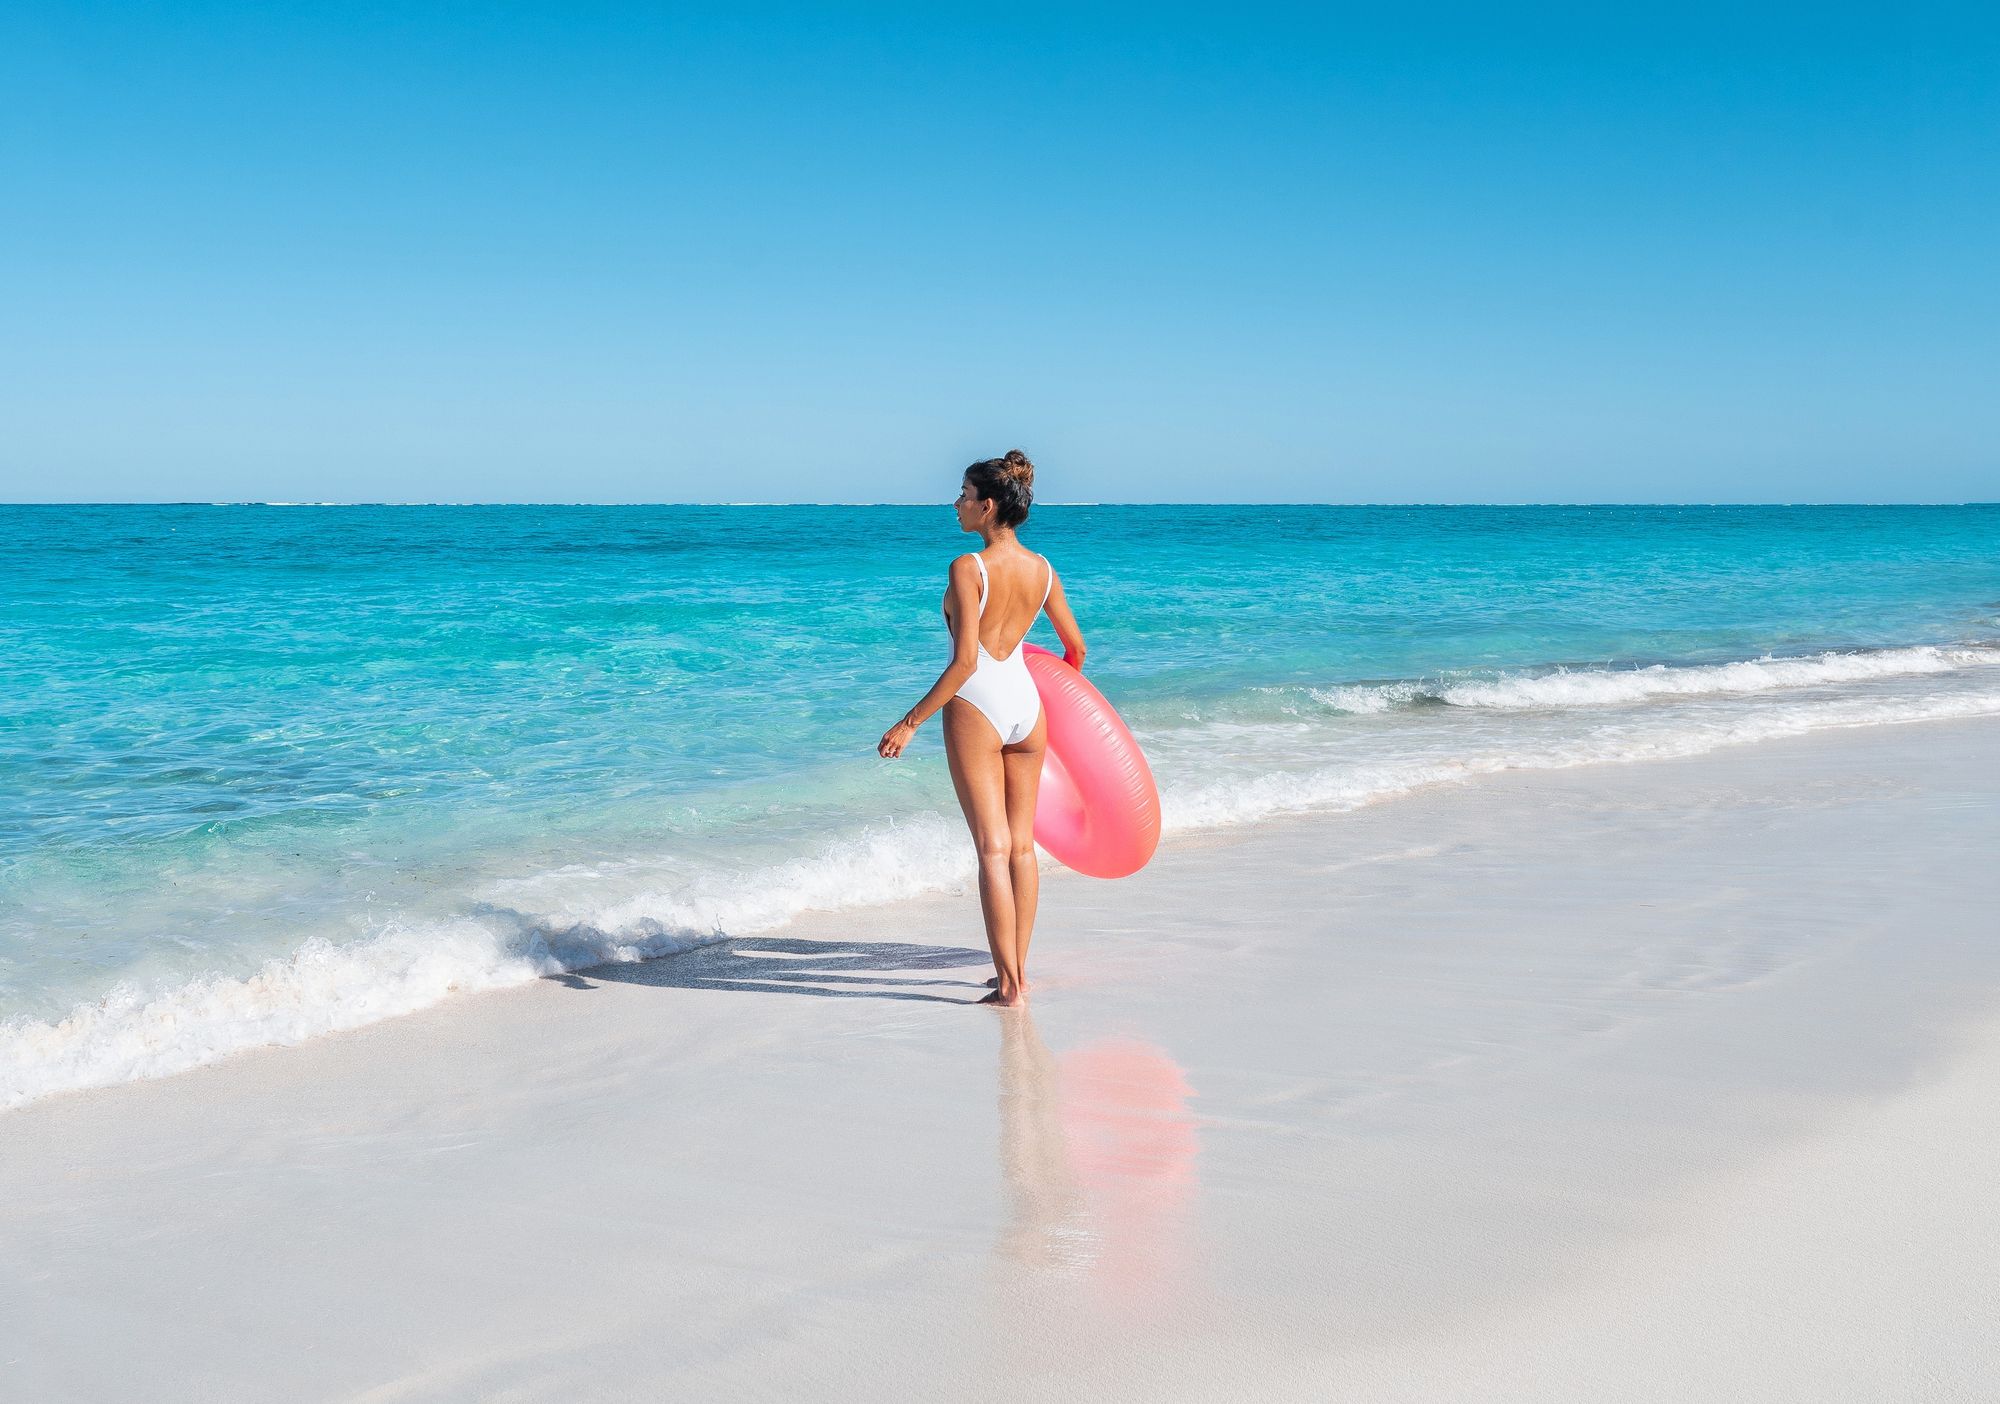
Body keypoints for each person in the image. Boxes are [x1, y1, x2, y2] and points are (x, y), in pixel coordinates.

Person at [877, 450, 1086, 1007]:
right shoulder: (1043, 569)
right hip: (1027, 706)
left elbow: (966, 661)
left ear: (987, 505)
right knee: (1021, 849)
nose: (956, 504)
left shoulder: (968, 567)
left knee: (992, 851)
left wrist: (910, 722)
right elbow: (1076, 649)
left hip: (978, 704)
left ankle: (1009, 989)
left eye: (964, 495)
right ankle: (1018, 972)